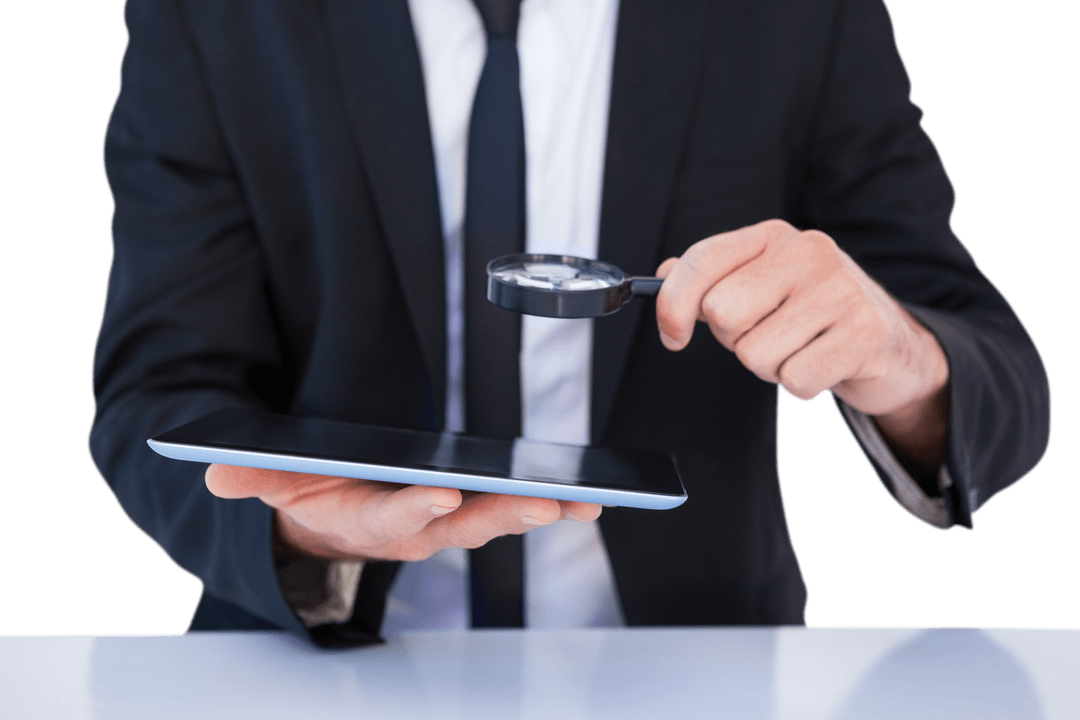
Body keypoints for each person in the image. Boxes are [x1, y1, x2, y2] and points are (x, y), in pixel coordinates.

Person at [90, 0, 1050, 646]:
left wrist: (891, 352)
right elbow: (154, 396)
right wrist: (305, 536)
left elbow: (1000, 386)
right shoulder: (212, 16)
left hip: (692, 666)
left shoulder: (794, 17)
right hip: (321, 663)